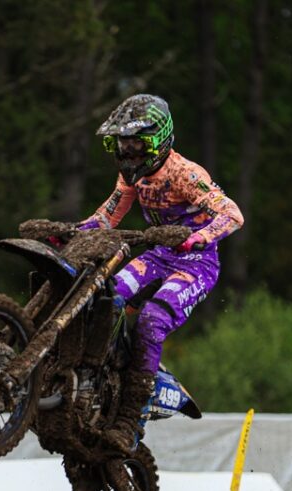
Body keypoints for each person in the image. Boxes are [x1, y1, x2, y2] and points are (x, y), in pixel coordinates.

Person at [76, 94, 245, 457]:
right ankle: (99, 377)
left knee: (152, 320)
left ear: (158, 140)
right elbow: (107, 217)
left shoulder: (185, 174)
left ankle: (132, 420)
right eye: (123, 144)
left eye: (136, 144)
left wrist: (198, 237)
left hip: (196, 263)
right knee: (105, 297)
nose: (129, 152)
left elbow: (232, 214)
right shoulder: (132, 176)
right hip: (158, 255)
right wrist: (73, 232)